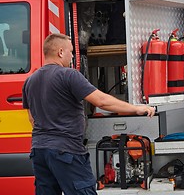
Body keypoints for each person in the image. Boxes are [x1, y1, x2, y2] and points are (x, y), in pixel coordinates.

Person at [22, 33, 155, 195]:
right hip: (66, 150)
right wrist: (136, 108)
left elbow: (32, 119)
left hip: (39, 151)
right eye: (71, 52)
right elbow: (101, 101)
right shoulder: (68, 75)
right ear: (60, 52)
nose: (72, 57)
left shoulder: (30, 81)